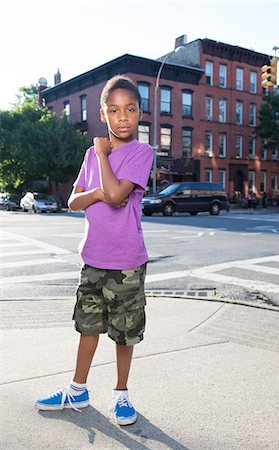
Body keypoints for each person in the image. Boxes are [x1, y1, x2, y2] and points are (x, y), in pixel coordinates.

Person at [35, 75, 153, 426]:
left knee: (124, 332)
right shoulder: (91, 153)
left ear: (140, 113)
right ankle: (78, 390)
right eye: (114, 110)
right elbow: (73, 200)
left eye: (130, 109)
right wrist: (100, 189)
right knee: (88, 327)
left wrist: (103, 158)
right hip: (93, 259)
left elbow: (118, 196)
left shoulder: (140, 152)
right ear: (103, 114)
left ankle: (121, 395)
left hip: (127, 262)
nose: (122, 117)